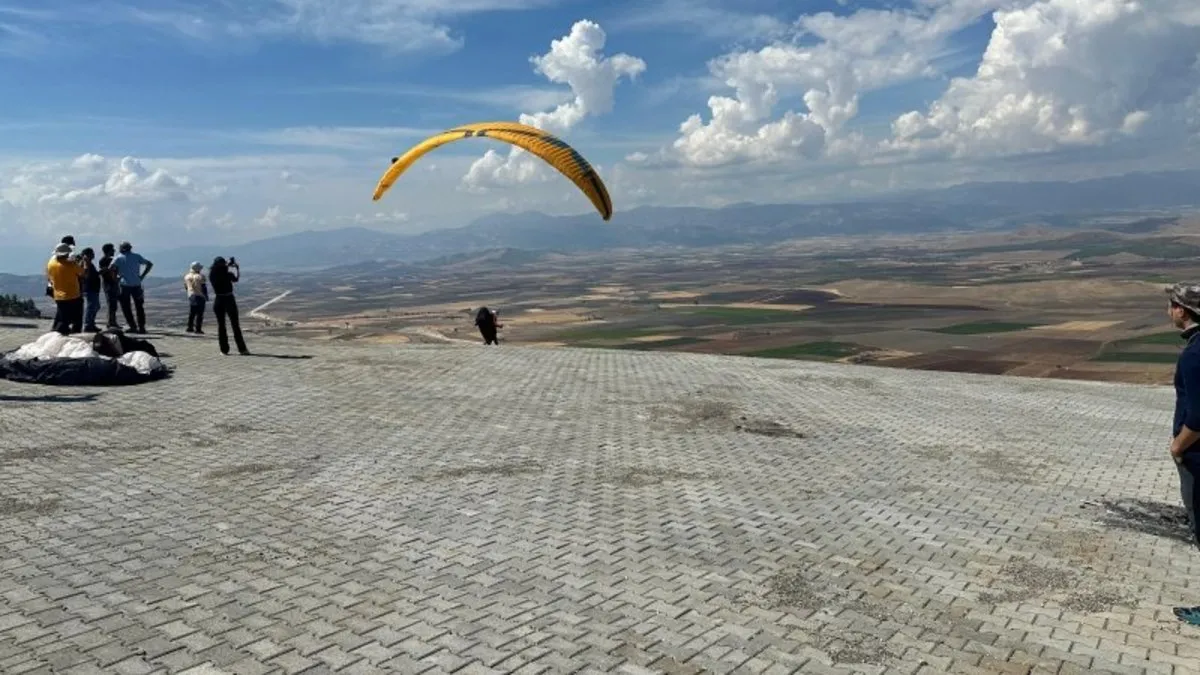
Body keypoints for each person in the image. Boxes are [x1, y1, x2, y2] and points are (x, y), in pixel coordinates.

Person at [208, 256, 249, 355]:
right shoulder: (228, 274)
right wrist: (237, 268)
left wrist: (226, 265)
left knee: (221, 326)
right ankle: (242, 349)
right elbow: (236, 279)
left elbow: (219, 269)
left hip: (218, 300)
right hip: (229, 299)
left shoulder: (212, 274)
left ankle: (224, 350)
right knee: (235, 325)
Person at [112, 241, 153, 333]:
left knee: (126, 307)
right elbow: (149, 264)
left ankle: (133, 326)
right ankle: (142, 327)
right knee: (139, 307)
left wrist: (116, 278)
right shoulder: (137, 256)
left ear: (122, 248)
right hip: (137, 285)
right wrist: (142, 276)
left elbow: (111, 268)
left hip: (124, 285)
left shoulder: (118, 258)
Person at [46, 243, 84, 335]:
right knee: (75, 319)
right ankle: (71, 335)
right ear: (66, 254)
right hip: (72, 296)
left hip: (58, 296)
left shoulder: (51, 263)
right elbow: (82, 273)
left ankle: (58, 333)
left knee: (63, 318)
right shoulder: (70, 265)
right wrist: (78, 262)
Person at [98, 243, 122, 329]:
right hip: (109, 284)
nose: (114, 251)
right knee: (111, 304)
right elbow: (105, 272)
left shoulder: (110, 260)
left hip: (113, 284)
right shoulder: (104, 260)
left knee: (113, 304)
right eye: (112, 249)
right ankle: (111, 322)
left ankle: (112, 321)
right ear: (108, 251)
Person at [79, 247, 102, 332]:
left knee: (95, 306)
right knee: (91, 306)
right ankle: (88, 325)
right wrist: (85, 261)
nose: (93, 255)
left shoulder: (89, 263)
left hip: (93, 288)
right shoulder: (85, 263)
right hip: (90, 288)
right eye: (91, 253)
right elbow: (86, 274)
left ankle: (91, 324)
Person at [183, 261, 208, 334]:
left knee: (192, 312)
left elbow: (186, 286)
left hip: (191, 295)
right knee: (200, 313)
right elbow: (203, 287)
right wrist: (205, 296)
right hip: (200, 295)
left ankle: (190, 327)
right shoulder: (200, 276)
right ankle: (198, 329)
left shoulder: (187, 276)